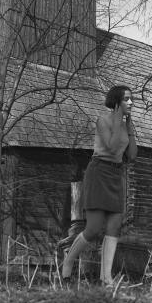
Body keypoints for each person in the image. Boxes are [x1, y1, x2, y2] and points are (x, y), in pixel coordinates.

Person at [62, 85, 137, 285]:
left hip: (116, 175)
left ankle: (107, 278)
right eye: (127, 99)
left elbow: (132, 155)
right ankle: (68, 263)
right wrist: (119, 122)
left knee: (114, 227)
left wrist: (129, 128)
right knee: (93, 228)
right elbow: (112, 148)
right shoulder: (103, 120)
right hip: (98, 172)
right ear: (116, 102)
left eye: (132, 100)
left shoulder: (126, 125)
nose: (131, 103)